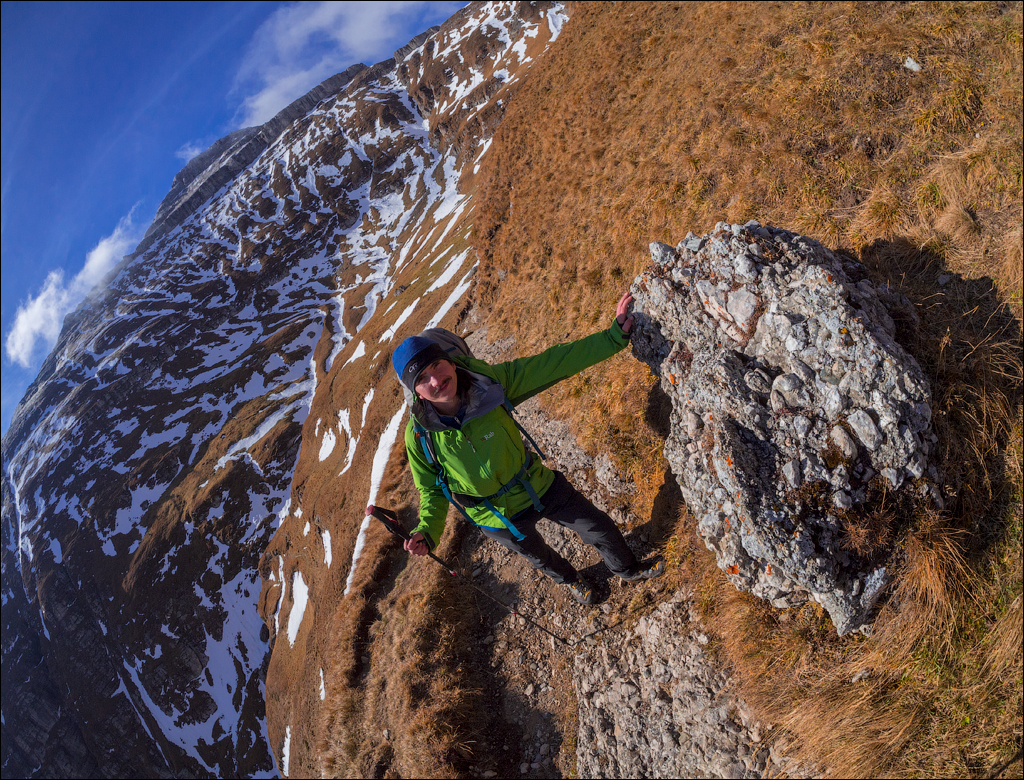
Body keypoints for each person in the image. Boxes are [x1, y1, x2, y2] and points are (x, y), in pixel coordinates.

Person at [386, 293, 663, 604]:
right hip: (493, 516)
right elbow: (432, 491)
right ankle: (574, 582)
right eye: (422, 378)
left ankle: (626, 568)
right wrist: (428, 532)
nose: (436, 380)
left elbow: (553, 363)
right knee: (542, 558)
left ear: (450, 361)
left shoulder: (490, 384)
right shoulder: (419, 436)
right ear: (416, 392)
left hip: (535, 483)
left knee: (599, 527)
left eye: (436, 365)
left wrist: (612, 337)